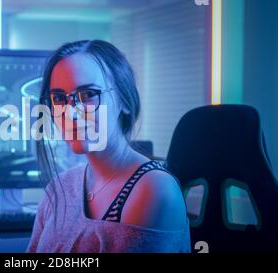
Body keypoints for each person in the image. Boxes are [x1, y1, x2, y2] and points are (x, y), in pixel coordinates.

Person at [27, 40, 190, 253]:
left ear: (123, 99)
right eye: (59, 98)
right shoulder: (59, 188)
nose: (70, 113)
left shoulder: (154, 189)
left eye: (87, 95)